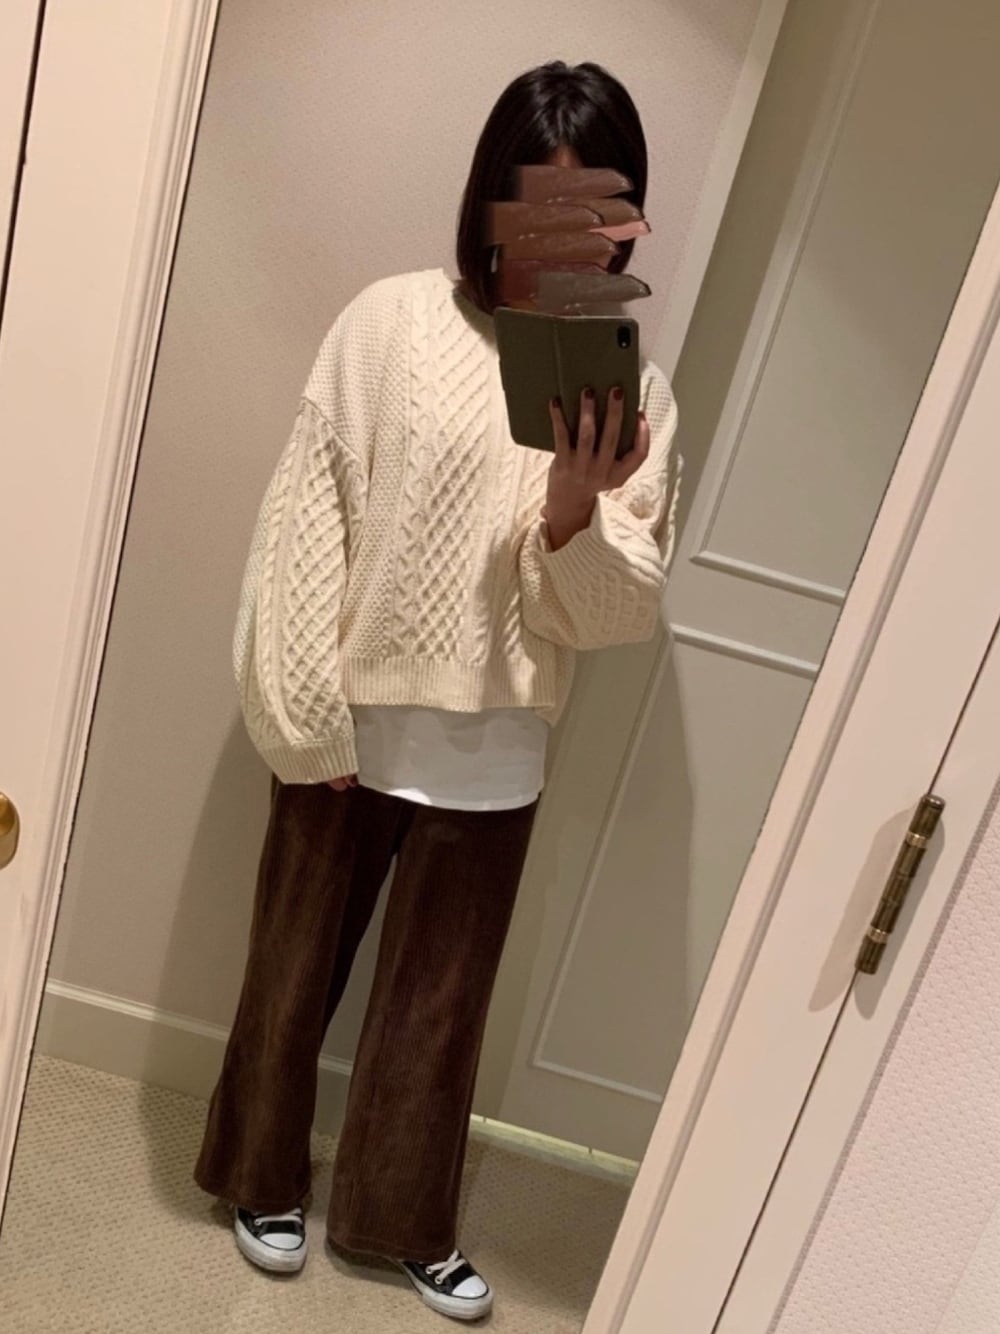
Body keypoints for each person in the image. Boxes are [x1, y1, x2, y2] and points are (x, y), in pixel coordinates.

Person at [193, 58, 682, 1323]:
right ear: (492, 201)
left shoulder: (633, 392)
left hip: (497, 746)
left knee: (438, 1013)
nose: (568, 238)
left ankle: (399, 1218)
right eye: (543, 204)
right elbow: (311, 517)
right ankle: (258, 1175)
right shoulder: (392, 323)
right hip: (351, 725)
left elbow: (614, 612)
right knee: (288, 975)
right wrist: (304, 716)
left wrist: (571, 506)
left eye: (599, 210)